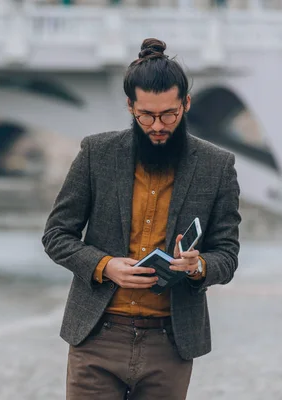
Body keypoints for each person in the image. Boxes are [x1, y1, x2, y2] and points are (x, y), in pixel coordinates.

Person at [41, 37, 241, 400]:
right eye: (146, 115)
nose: (157, 125)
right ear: (130, 106)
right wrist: (105, 265)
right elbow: (56, 235)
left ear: (186, 104)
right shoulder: (96, 153)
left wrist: (198, 266)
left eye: (169, 114)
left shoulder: (217, 166)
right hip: (96, 336)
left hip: (171, 342)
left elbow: (227, 254)